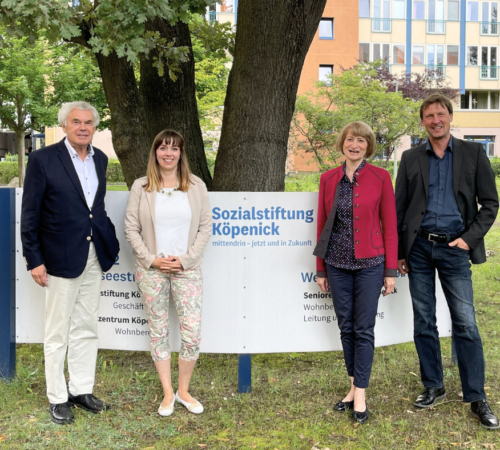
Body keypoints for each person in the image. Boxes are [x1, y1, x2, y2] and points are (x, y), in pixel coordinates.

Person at [396, 94, 499, 429]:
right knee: (424, 320)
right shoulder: (410, 158)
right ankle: (433, 386)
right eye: (429, 115)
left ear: (450, 117)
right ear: (423, 121)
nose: (435, 120)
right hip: (419, 251)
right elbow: (399, 209)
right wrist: (400, 251)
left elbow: (490, 204)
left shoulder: (473, 153)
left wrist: (467, 240)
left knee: (466, 323)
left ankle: (476, 395)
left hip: (456, 249)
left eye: (441, 114)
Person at [21, 101, 120, 425]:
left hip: (93, 257)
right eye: (76, 121)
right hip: (59, 258)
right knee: (57, 332)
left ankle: (81, 390)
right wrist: (34, 258)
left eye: (88, 122)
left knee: (86, 327)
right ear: (64, 126)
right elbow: (31, 213)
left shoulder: (100, 159)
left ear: (94, 127)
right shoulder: (43, 159)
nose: (82, 127)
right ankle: (57, 397)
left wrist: (110, 242)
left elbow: (95, 210)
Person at [313, 121, 398, 424]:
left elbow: (390, 226)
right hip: (336, 264)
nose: (355, 145)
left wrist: (390, 271)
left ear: (368, 146)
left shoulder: (381, 177)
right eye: (350, 139)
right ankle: (353, 386)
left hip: (370, 265)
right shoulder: (328, 179)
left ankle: (359, 393)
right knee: (346, 327)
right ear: (342, 143)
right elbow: (322, 225)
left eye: (361, 141)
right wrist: (320, 269)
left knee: (363, 329)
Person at [124, 130, 212, 417]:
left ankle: (184, 390)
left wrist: (184, 260)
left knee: (191, 334)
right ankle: (167, 393)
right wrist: (152, 261)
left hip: (187, 269)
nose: (168, 153)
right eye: (163, 147)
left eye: (174, 148)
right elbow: (131, 229)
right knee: (158, 332)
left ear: (181, 153)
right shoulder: (142, 186)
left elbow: (205, 228)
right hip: (152, 271)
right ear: (155, 152)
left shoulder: (196, 186)